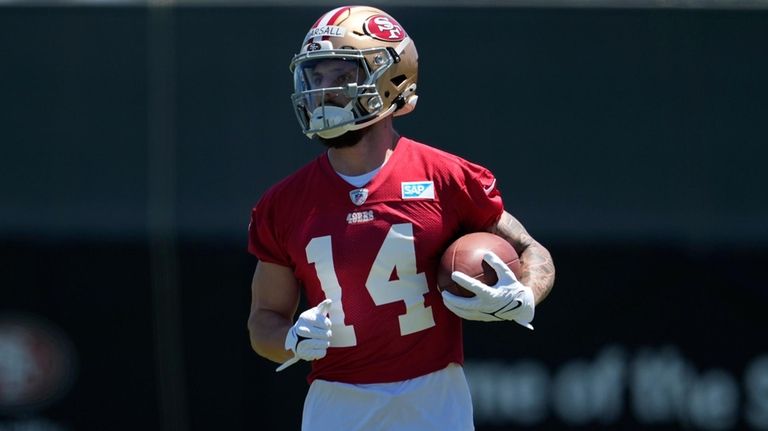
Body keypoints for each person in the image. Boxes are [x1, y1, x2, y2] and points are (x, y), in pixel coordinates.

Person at [247, 6, 555, 431]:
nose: (322, 91)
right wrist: (289, 340)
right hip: (337, 402)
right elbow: (263, 318)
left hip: (434, 399)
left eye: (340, 76)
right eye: (315, 77)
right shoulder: (283, 204)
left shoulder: (444, 177)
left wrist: (524, 293)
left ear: (389, 82)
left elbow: (530, 249)